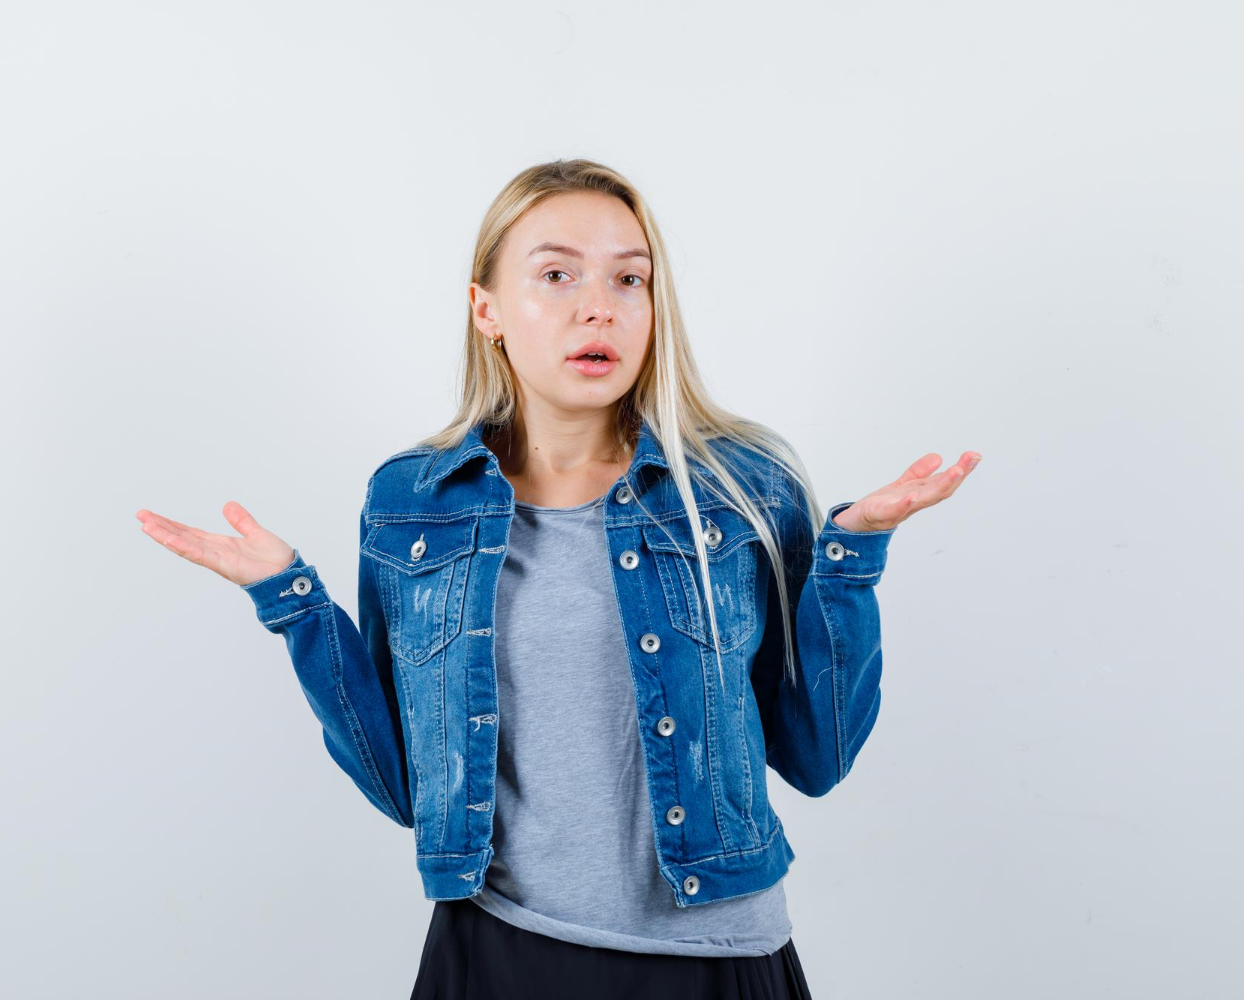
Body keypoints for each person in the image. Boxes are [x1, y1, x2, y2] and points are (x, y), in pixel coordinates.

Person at [137, 158, 980, 999]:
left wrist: (853, 559)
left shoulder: (742, 487)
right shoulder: (413, 503)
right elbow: (408, 789)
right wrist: (293, 602)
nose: (598, 305)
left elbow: (817, 755)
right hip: (494, 949)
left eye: (630, 278)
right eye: (556, 274)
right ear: (487, 310)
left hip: (715, 960)